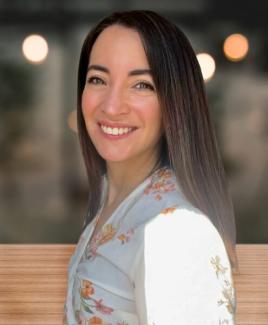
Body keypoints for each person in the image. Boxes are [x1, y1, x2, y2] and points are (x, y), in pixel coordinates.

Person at [63, 10, 239, 325]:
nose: (112, 106)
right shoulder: (111, 200)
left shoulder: (177, 230)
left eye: (142, 85)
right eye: (98, 79)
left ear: (175, 100)